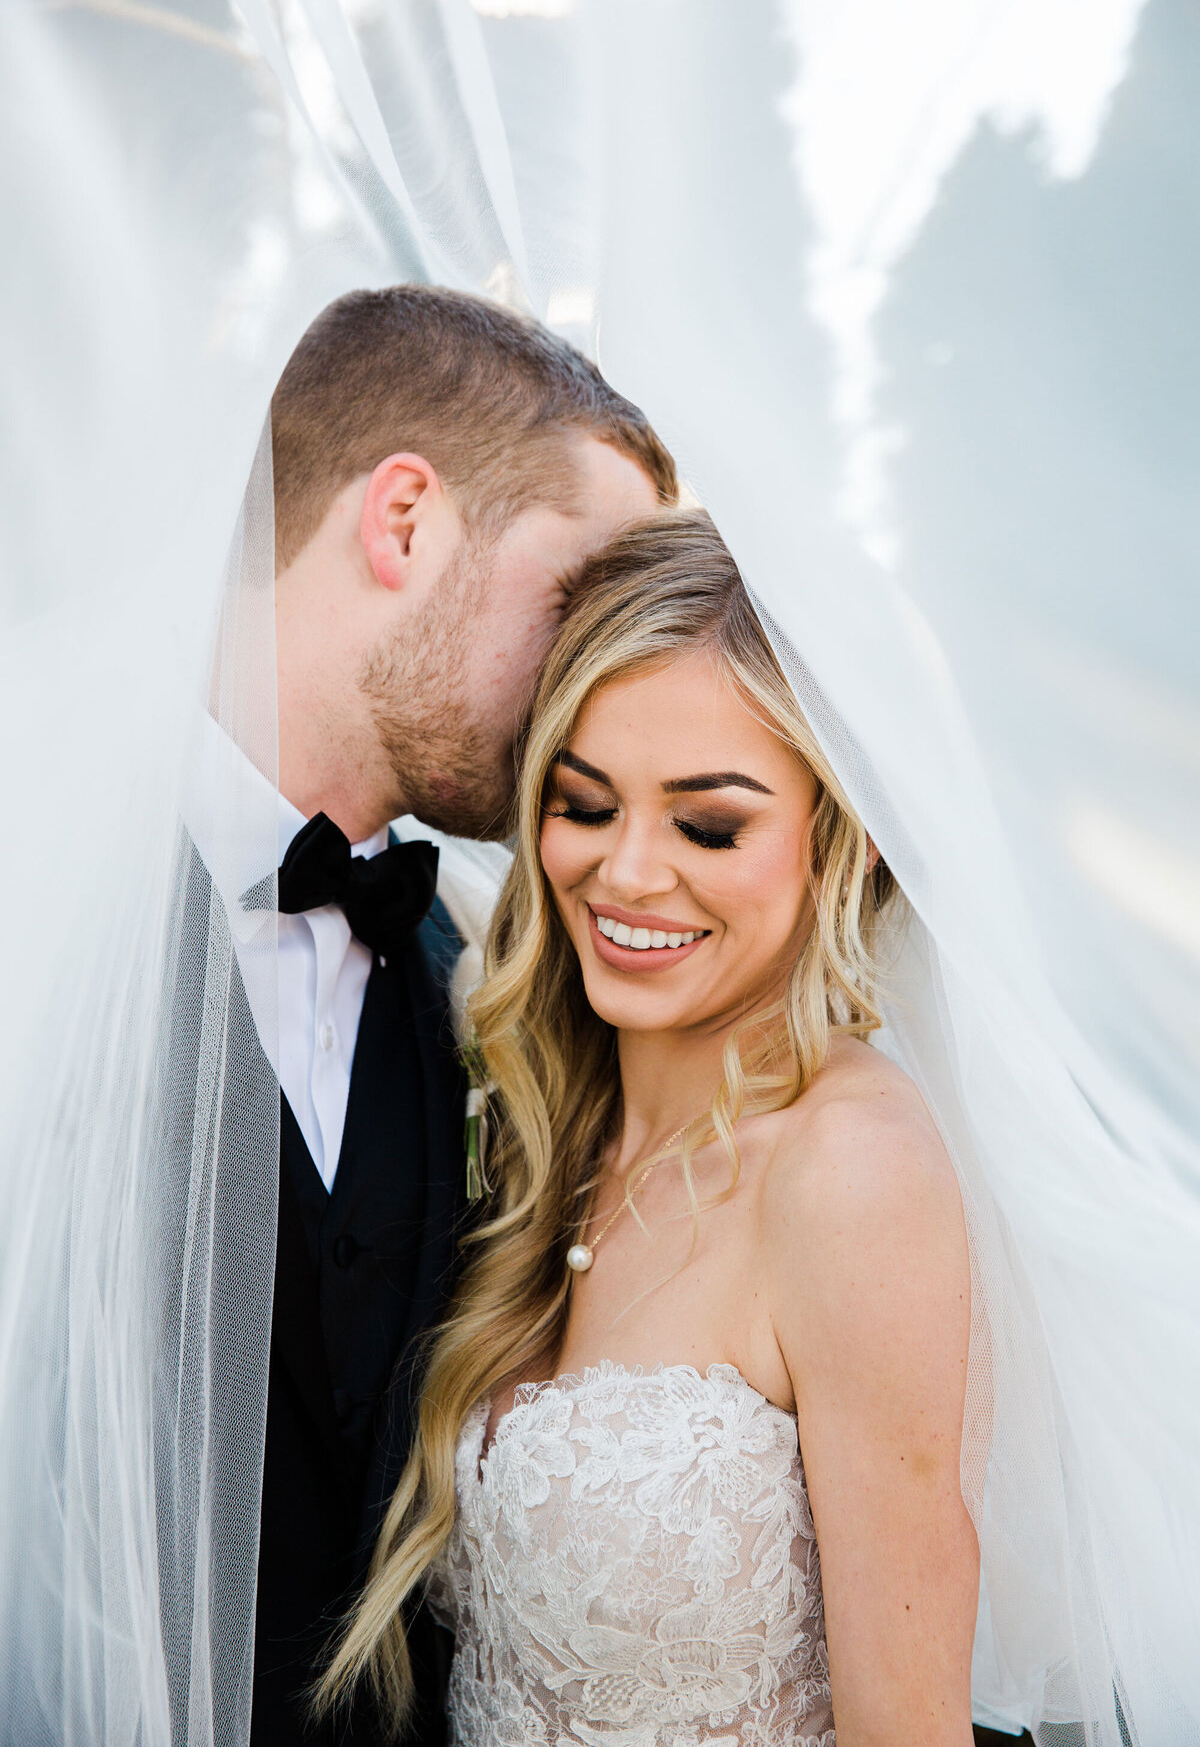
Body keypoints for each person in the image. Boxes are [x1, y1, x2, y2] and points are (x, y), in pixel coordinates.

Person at [323, 512, 983, 1746]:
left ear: (838, 837)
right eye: (583, 803)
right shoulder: (541, 1114)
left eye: (707, 825)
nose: (626, 874)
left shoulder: (850, 1175)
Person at [186, 284, 675, 1746]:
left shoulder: (480, 983)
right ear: (404, 522)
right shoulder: (44, 901)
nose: (603, 684)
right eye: (580, 599)